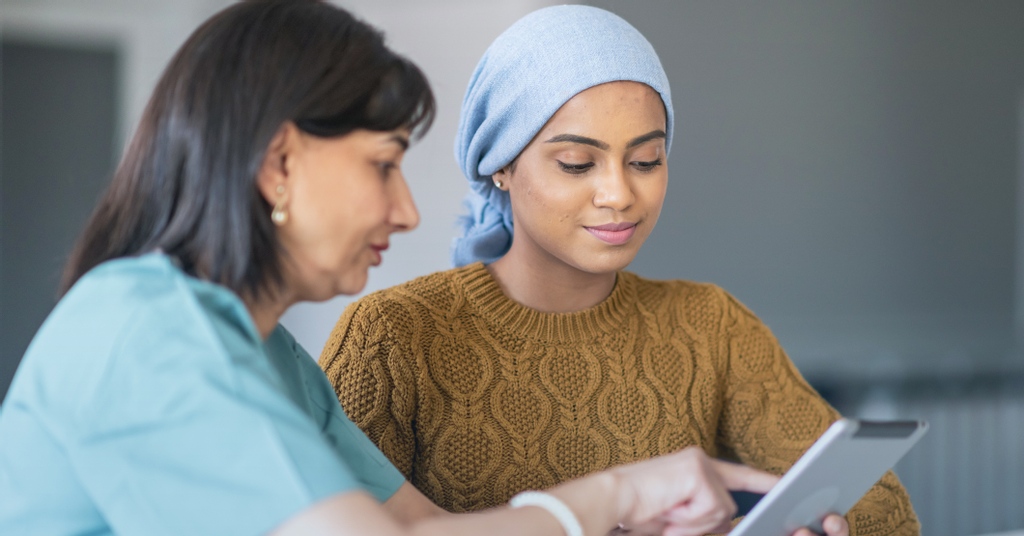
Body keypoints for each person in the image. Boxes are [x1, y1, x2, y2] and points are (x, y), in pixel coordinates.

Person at [0, 1, 785, 536]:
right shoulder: (142, 333)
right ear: (279, 163)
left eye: (645, 158)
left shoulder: (270, 361)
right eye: (383, 166)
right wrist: (616, 492)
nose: (408, 210)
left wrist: (646, 500)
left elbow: (427, 529)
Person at [319, 5, 919, 536]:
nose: (619, 194)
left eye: (645, 160)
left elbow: (884, 509)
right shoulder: (391, 338)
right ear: (500, 165)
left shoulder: (709, 326)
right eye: (578, 163)